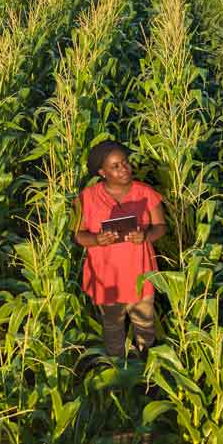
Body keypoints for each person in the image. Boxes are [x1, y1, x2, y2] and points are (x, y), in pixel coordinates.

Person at [74, 140, 167, 358]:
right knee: (113, 328)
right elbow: (78, 235)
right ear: (102, 172)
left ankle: (148, 371)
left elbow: (161, 227)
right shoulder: (86, 198)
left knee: (145, 326)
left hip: (140, 273)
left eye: (125, 163)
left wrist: (146, 235)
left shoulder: (146, 193)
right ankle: (118, 370)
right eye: (115, 166)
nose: (124, 169)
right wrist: (97, 239)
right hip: (107, 277)